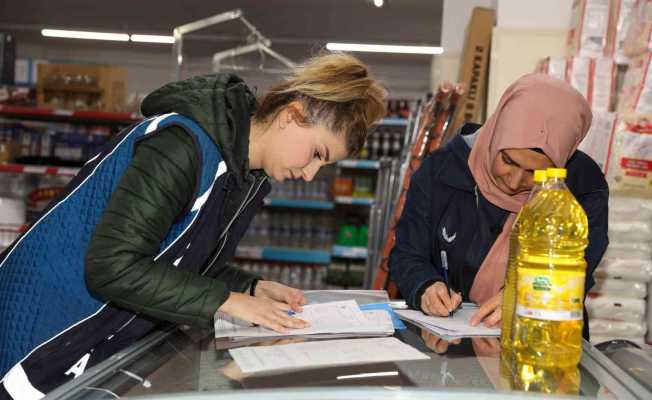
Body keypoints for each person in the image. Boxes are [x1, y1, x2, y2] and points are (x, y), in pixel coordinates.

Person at [0, 52, 387, 398]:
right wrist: (226, 301)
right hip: (37, 332)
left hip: (85, 343)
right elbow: (112, 265)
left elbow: (180, 259)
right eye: (316, 154)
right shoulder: (184, 145)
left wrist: (250, 286)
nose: (309, 174)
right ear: (291, 116)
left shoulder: (242, 177)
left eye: (323, 165)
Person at [389, 73, 608, 335]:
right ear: (497, 136)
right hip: (451, 339)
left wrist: (526, 296)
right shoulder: (442, 170)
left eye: (536, 174)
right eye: (509, 161)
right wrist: (425, 286)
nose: (515, 182)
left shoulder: (582, 188)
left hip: (545, 341)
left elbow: (578, 269)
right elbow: (407, 254)